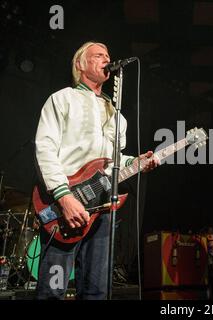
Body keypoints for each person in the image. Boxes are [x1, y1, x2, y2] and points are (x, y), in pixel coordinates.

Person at [34, 41, 158, 299]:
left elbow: (112, 163)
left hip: (102, 207)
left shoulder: (117, 115)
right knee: (52, 291)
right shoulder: (62, 99)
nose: (106, 59)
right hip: (65, 205)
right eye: (98, 55)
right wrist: (64, 197)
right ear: (80, 65)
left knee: (96, 291)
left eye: (108, 55)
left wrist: (135, 163)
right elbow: (45, 148)